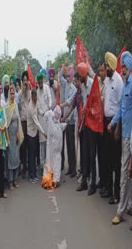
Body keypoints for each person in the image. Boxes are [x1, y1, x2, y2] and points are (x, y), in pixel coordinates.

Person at [62, 63, 94, 194]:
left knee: (91, 155)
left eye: (76, 80)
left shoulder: (90, 86)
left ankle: (91, 182)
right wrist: (63, 118)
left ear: (81, 77)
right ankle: (85, 181)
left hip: (90, 126)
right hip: (82, 127)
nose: (75, 82)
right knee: (84, 154)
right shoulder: (79, 92)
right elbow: (71, 106)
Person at [110, 51, 132, 227]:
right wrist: (113, 123)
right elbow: (122, 109)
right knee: (126, 173)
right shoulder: (126, 85)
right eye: (122, 67)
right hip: (125, 135)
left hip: (131, 136)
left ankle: (120, 211)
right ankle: (128, 206)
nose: (122, 69)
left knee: (125, 174)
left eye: (124, 66)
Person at [102, 53, 123, 204]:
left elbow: (122, 107)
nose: (105, 67)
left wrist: (117, 128)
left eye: (107, 65)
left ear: (112, 66)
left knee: (116, 161)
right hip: (106, 123)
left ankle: (116, 194)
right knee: (108, 158)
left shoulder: (119, 81)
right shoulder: (107, 81)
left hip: (115, 125)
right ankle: (108, 189)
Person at [58, 64, 77, 178]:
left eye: (69, 75)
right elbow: (60, 77)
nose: (67, 77)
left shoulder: (74, 89)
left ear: (72, 76)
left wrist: (60, 106)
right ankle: (69, 168)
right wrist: (63, 67)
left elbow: (69, 102)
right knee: (66, 145)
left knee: (71, 146)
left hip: (70, 120)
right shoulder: (65, 84)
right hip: (64, 119)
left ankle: (73, 169)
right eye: (67, 75)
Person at [5, 86, 24, 190]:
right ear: (9, 95)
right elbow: (6, 124)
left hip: (16, 136)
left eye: (13, 94)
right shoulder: (7, 107)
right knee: (10, 160)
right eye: (11, 94)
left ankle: (15, 180)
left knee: (16, 159)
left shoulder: (16, 105)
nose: (12, 95)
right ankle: (10, 181)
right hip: (10, 137)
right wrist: (7, 138)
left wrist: (18, 132)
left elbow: (18, 121)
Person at [27, 88, 46, 183]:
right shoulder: (30, 107)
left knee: (35, 155)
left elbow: (39, 110)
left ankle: (34, 173)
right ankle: (31, 175)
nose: (35, 99)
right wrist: (43, 133)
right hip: (30, 134)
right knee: (31, 155)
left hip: (35, 133)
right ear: (32, 97)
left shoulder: (36, 102)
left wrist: (45, 114)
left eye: (36, 97)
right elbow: (37, 122)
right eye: (34, 98)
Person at [43, 106, 66, 187]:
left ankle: (55, 180)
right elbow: (44, 119)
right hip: (51, 145)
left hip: (56, 147)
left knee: (55, 162)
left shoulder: (58, 123)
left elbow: (62, 126)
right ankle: (48, 179)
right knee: (50, 161)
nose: (57, 115)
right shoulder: (50, 116)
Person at [36, 73, 51, 178]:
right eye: (39, 83)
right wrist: (41, 112)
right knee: (42, 145)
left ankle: (48, 166)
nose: (40, 84)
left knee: (48, 144)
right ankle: (42, 166)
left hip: (48, 118)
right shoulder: (37, 92)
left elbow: (50, 99)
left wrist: (49, 108)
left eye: (41, 82)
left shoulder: (46, 88)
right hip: (41, 119)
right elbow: (37, 105)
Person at [18, 71, 31, 179]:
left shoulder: (30, 91)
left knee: (29, 145)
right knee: (22, 146)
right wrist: (23, 88)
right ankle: (23, 167)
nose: (25, 82)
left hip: (29, 122)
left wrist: (29, 88)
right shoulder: (20, 92)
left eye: (27, 79)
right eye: (24, 80)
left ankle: (29, 166)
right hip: (22, 122)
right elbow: (19, 99)